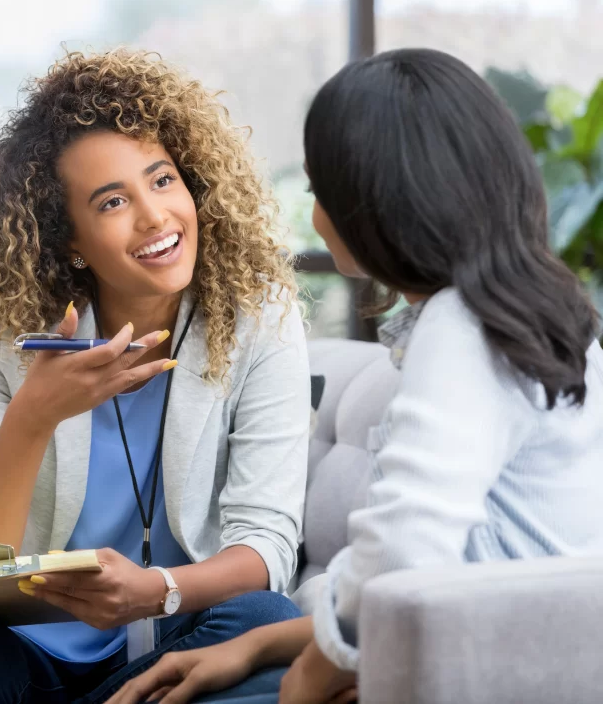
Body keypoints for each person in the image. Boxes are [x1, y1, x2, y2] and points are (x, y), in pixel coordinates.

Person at [109, 48, 603, 704]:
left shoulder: (463, 330)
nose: (315, 215)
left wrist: (310, 678)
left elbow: (402, 552)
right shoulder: (549, 317)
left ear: (378, 205)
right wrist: (261, 646)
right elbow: (466, 569)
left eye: (319, 193)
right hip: (507, 650)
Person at [0, 49, 313, 704]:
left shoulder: (259, 318)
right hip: (33, 658)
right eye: (113, 200)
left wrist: (158, 590)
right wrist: (33, 417)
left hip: (177, 648)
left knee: (267, 620)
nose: (154, 217)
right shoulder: (2, 337)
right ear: (68, 240)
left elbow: (266, 547)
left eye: (162, 180)